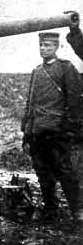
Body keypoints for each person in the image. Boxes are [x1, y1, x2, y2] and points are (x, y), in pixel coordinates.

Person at [22, 32, 82, 226]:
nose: (43, 49)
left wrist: (69, 126)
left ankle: (77, 209)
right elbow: (30, 104)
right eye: (41, 45)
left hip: (57, 130)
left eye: (47, 45)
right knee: (42, 171)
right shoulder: (37, 71)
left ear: (56, 47)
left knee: (65, 170)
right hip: (38, 130)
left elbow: (74, 100)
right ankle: (50, 208)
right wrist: (26, 133)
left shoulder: (66, 68)